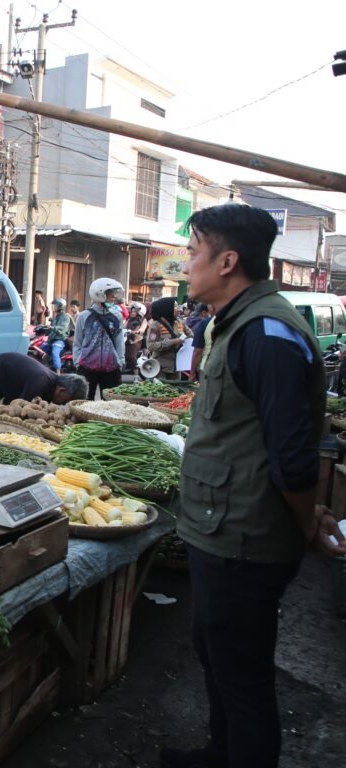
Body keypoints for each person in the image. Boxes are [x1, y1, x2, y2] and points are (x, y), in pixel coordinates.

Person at [163, 204, 346, 768]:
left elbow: (293, 461)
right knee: (215, 651)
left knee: (242, 675)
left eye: (194, 252)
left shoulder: (268, 335)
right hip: (221, 531)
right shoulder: (238, 321)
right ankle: (222, 752)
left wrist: (304, 523)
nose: (186, 264)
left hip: (245, 540)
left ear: (228, 261)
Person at [0, 352, 87, 409]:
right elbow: (21, 409)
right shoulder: (40, 383)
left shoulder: (51, 382)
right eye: (64, 401)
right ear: (61, 390)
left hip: (4, 380)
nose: (62, 405)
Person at [72, 278, 125, 399]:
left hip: (111, 368)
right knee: (84, 403)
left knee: (110, 405)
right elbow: (77, 342)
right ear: (99, 294)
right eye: (110, 294)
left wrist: (120, 362)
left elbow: (119, 341)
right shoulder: (84, 316)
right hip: (86, 368)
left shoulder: (117, 316)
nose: (113, 297)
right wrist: (77, 363)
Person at [145, 296, 192, 379]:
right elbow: (151, 346)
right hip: (160, 368)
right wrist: (173, 342)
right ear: (167, 308)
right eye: (175, 306)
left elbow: (191, 335)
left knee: (176, 391)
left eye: (178, 306)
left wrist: (186, 340)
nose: (179, 309)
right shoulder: (156, 325)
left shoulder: (179, 322)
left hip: (177, 367)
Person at [47, 298, 71, 374]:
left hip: (60, 339)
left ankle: (58, 372)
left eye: (55, 305)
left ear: (60, 306)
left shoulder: (65, 317)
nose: (53, 307)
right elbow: (51, 327)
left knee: (55, 351)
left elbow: (62, 328)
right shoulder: (56, 316)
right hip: (53, 338)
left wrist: (53, 327)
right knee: (42, 348)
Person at [124, 301, 148, 373]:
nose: (133, 313)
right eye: (132, 311)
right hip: (126, 339)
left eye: (135, 311)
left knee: (132, 357)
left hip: (136, 340)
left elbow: (142, 329)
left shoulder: (143, 320)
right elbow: (123, 326)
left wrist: (137, 331)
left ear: (139, 312)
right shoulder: (128, 320)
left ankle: (136, 376)